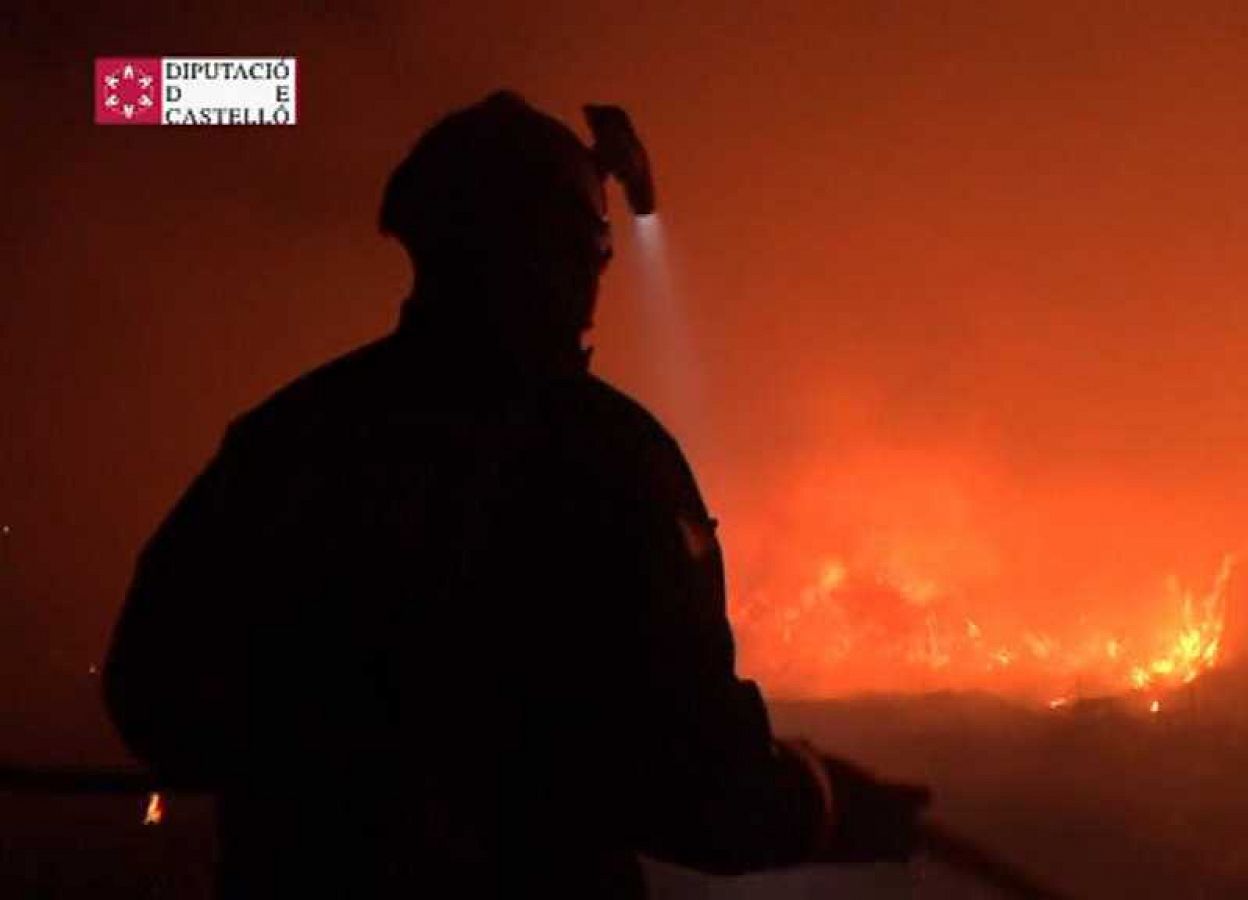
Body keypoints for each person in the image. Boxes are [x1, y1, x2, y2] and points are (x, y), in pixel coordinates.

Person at [102, 90, 929, 899]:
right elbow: (693, 779)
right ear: (569, 255)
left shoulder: (291, 439)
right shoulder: (606, 461)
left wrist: (317, 760)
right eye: (588, 250)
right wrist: (822, 803)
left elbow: (151, 692)